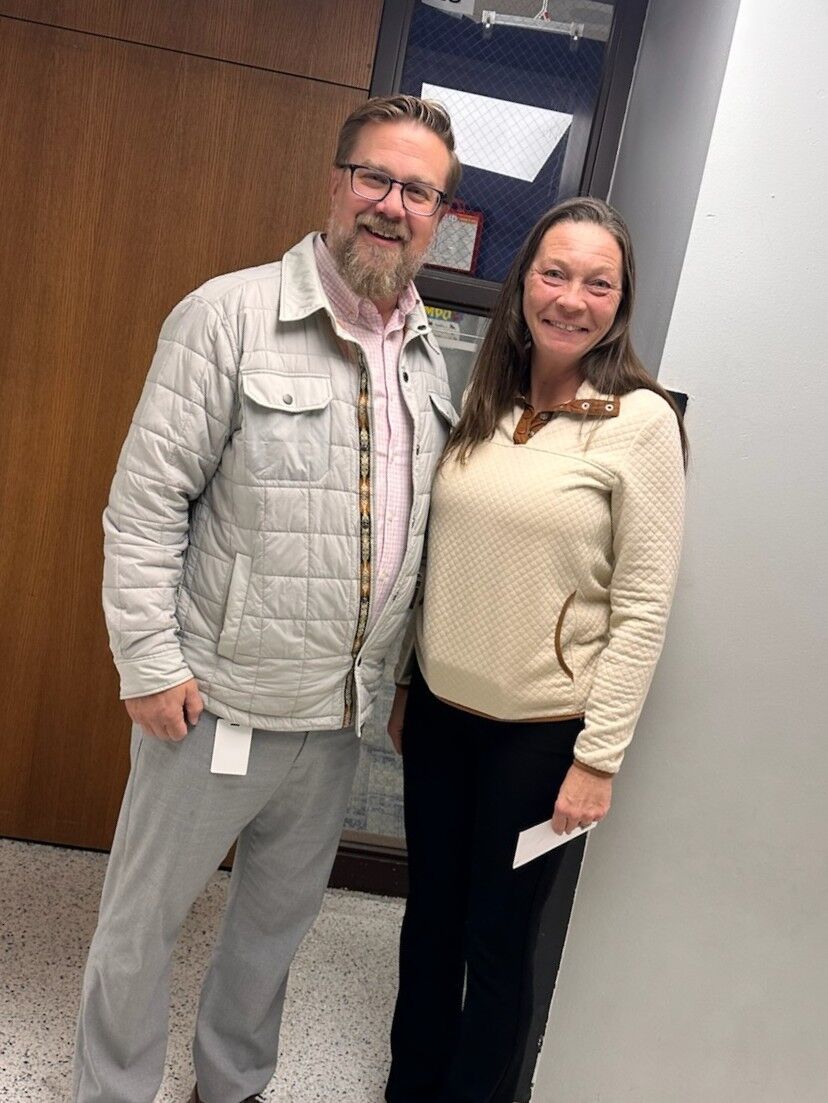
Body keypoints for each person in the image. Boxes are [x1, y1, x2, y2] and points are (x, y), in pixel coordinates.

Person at [73, 94, 461, 1103]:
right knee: (141, 921)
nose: (392, 204)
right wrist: (149, 661)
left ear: (440, 214)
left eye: (418, 189)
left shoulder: (426, 354)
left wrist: (403, 680)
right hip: (215, 700)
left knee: (272, 933)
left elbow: (415, 534)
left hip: (337, 720)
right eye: (375, 177)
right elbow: (145, 503)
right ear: (336, 184)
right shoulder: (229, 314)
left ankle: (231, 1086)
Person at [384, 197, 687, 1103]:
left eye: (599, 282)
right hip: (440, 718)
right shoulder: (486, 401)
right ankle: (410, 1087)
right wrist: (408, 681)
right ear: (523, 286)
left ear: (620, 301)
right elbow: (437, 560)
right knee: (428, 919)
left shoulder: (640, 422)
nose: (571, 299)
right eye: (555, 274)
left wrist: (597, 759)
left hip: (543, 741)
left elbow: (642, 606)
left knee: (498, 938)